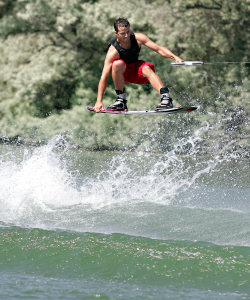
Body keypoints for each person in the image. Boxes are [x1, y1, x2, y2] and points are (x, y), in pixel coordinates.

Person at [94, 18, 184, 112]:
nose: (126, 35)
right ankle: (121, 100)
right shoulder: (113, 51)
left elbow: (159, 49)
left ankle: (166, 98)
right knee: (117, 64)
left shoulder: (138, 38)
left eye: (128, 32)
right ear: (116, 33)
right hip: (123, 76)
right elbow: (104, 77)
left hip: (137, 72)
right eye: (123, 33)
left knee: (146, 68)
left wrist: (175, 57)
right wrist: (99, 100)